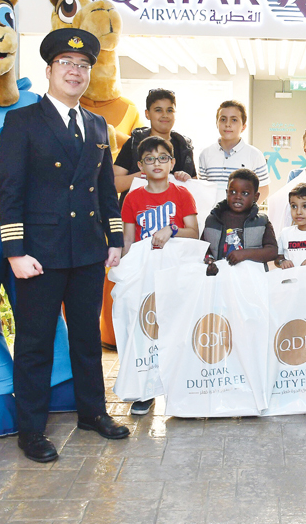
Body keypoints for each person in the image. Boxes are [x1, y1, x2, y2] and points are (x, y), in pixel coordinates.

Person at [0, 28, 129, 463]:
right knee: (35, 341)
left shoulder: (96, 125)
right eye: (67, 64)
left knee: (88, 338)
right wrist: (15, 252)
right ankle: (31, 430)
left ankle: (92, 413)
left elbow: (105, 191)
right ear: (50, 69)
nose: (76, 72)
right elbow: (11, 190)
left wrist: (113, 240)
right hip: (40, 252)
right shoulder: (23, 121)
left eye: (84, 66)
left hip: (88, 251)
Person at [118, 136, 198, 415]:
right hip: (144, 274)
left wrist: (171, 230)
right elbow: (128, 239)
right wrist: (124, 270)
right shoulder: (133, 198)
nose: (157, 163)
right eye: (150, 159)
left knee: (176, 329)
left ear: (172, 162)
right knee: (145, 330)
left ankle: (179, 389)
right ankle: (145, 391)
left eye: (163, 158)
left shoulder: (181, 194)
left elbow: (194, 232)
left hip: (175, 273)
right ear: (140, 165)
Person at [113, 88, 197, 196]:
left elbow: (195, 187)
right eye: (158, 110)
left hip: (174, 210)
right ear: (147, 114)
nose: (165, 115)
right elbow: (113, 183)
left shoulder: (184, 146)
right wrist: (143, 174)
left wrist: (186, 179)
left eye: (170, 110)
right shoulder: (134, 143)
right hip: (138, 210)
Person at [201, 168, 278, 271]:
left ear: (256, 196)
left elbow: (272, 251)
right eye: (232, 192)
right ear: (226, 193)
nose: (238, 197)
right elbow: (203, 249)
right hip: (219, 279)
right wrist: (209, 260)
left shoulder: (262, 222)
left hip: (250, 280)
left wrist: (245, 254)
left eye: (245, 193)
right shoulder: (213, 220)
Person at [198, 100, 270, 202]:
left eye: (234, 120)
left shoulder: (254, 155)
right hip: (212, 216)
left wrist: (248, 213)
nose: (228, 124)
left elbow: (263, 189)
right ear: (217, 124)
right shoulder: (205, 154)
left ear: (243, 126)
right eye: (223, 119)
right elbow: (203, 189)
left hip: (242, 217)